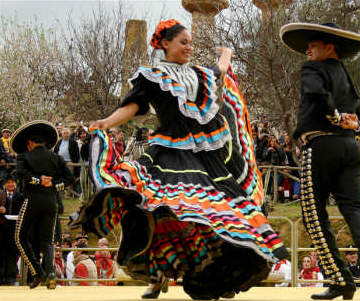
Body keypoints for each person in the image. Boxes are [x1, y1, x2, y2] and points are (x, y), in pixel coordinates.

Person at [70, 19, 287, 300]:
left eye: (190, 43)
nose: (189, 47)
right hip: (168, 153)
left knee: (211, 212)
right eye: (183, 42)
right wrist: (106, 123)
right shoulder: (152, 76)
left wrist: (226, 54)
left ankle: (211, 276)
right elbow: (133, 106)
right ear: (165, 44)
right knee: (156, 207)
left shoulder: (198, 74)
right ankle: (155, 276)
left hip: (204, 156)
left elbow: (219, 70)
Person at [280, 22, 360, 300]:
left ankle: (339, 279)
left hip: (321, 145)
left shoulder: (312, 69)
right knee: (357, 207)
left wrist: (335, 117)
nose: (307, 50)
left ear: (330, 46)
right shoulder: (346, 77)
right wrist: (354, 126)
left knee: (313, 215)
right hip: (350, 148)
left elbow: (315, 93)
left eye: (313, 45)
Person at [11, 120, 75, 289]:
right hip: (51, 201)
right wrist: (53, 184)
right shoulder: (56, 157)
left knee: (19, 237)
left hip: (32, 199)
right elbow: (70, 179)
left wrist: (38, 180)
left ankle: (37, 271)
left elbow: (20, 173)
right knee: (47, 240)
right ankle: (51, 273)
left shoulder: (24, 156)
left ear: (30, 143)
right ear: (45, 143)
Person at [0, 174, 25, 285]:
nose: (10, 185)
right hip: (1, 229)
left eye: (12, 182)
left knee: (11, 254)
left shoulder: (21, 197)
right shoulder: (0, 196)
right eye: (8, 183)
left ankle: (10, 276)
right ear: (4, 185)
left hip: (15, 229)